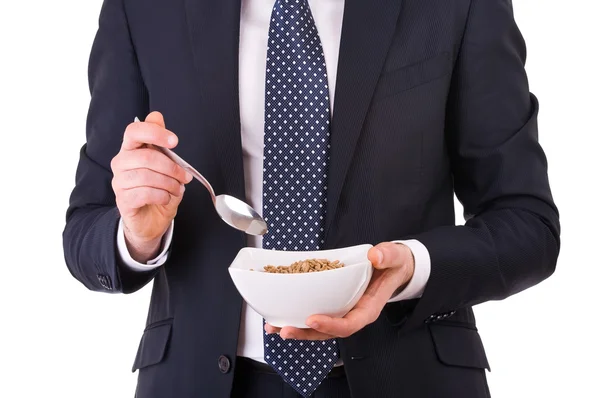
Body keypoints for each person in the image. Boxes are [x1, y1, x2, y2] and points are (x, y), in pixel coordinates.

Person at [63, 0, 560, 396]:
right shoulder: (144, 8)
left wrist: (412, 267)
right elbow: (85, 230)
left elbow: (527, 223)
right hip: (204, 379)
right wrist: (138, 235)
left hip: (409, 373)